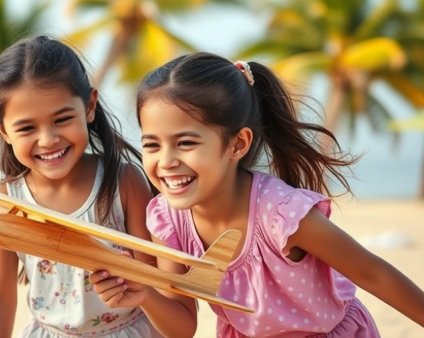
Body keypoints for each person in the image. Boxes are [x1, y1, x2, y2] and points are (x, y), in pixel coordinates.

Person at [90, 52, 424, 337]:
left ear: (238, 143)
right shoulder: (167, 220)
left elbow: (372, 273)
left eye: (186, 143)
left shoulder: (280, 214)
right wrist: (144, 292)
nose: (166, 161)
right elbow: (183, 326)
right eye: (152, 144)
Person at [0, 35, 162, 338]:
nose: (48, 140)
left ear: (90, 106)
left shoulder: (123, 182)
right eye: (26, 128)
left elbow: (153, 282)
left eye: (62, 119)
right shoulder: (9, 199)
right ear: (3, 130)